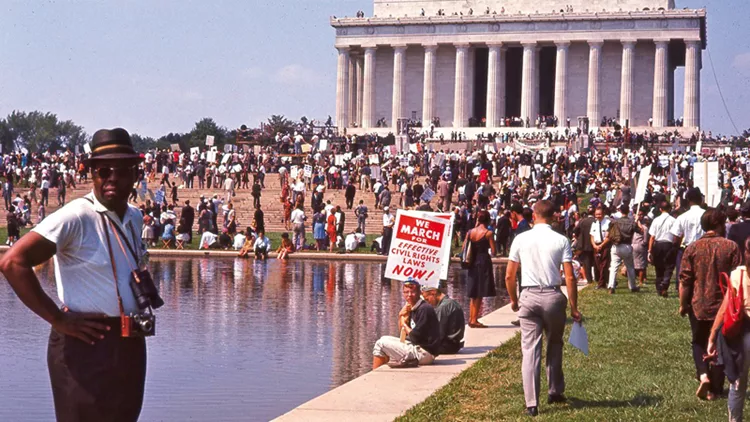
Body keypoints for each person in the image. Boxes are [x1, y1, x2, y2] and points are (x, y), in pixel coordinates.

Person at [0, 128, 151, 421]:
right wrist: (57, 319)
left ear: (135, 173)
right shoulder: (77, 216)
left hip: (130, 341)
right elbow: (12, 262)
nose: (111, 178)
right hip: (85, 342)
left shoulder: (132, 216)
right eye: (102, 170)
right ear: (91, 173)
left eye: (120, 171)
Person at [505, 200, 582, 417]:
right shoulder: (561, 240)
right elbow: (569, 277)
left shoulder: (521, 238)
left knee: (530, 349)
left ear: (534, 216)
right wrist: (574, 307)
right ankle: (555, 389)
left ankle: (531, 402)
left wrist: (513, 299)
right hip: (552, 294)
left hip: (528, 294)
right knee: (555, 343)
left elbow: (509, 275)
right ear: (553, 217)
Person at [680, 208, 741, 401]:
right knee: (722, 345)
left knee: (698, 341)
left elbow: (685, 280)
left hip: (698, 303)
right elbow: (737, 277)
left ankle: (703, 374)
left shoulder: (692, 248)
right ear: (719, 225)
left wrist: (683, 304)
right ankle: (715, 389)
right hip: (723, 304)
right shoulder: (731, 247)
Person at [707, 238, 750, 421]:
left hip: (743, 331)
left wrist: (712, 335)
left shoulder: (738, 274)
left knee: (738, 384)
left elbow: (726, 307)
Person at [372, 278, 440, 369]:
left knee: (380, 344)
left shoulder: (424, 309)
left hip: (425, 353)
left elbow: (415, 337)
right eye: (406, 292)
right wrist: (401, 315)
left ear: (419, 293)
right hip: (418, 347)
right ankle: (381, 371)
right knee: (384, 338)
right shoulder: (413, 307)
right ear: (403, 293)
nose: (409, 295)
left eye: (413, 292)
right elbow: (403, 334)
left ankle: (376, 376)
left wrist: (404, 323)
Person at [462, 210, 497, 328]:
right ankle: (475, 319)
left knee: (473, 292)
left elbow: (464, 247)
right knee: (480, 291)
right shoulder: (488, 233)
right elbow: (494, 251)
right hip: (483, 261)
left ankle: (471, 318)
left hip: (472, 262)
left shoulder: (470, 232)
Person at [672, 187, 706, 294]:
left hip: (688, 248)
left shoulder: (682, 217)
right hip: (704, 248)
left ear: (688, 200)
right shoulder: (706, 214)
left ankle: (684, 293)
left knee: (686, 275)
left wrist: (677, 247)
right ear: (700, 199)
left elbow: (676, 237)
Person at [607, 203, 642, 294]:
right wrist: (637, 221)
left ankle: (611, 286)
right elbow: (641, 231)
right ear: (628, 211)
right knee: (630, 267)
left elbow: (608, 233)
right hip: (627, 246)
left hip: (615, 246)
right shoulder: (631, 222)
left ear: (620, 211)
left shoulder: (615, 222)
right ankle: (632, 286)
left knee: (613, 266)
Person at [421, 284, 465, 354]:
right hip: (453, 344)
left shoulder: (443, 307)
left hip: (447, 346)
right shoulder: (450, 302)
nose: (427, 302)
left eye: (427, 299)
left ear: (433, 293)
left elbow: (438, 334)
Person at [649, 201, 677, 297]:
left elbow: (652, 237)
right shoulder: (673, 220)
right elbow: (676, 235)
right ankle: (665, 284)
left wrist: (649, 250)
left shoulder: (656, 220)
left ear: (660, 209)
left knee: (659, 267)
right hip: (669, 245)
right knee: (669, 267)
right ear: (670, 209)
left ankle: (659, 287)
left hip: (658, 244)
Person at [589, 206, 611, 289]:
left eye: (599, 214)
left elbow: (608, 237)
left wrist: (601, 245)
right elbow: (591, 236)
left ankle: (601, 284)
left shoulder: (608, 223)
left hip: (605, 245)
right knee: (598, 265)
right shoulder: (594, 223)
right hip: (596, 245)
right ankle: (608, 280)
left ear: (603, 213)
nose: (598, 216)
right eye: (596, 214)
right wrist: (595, 245)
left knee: (604, 265)